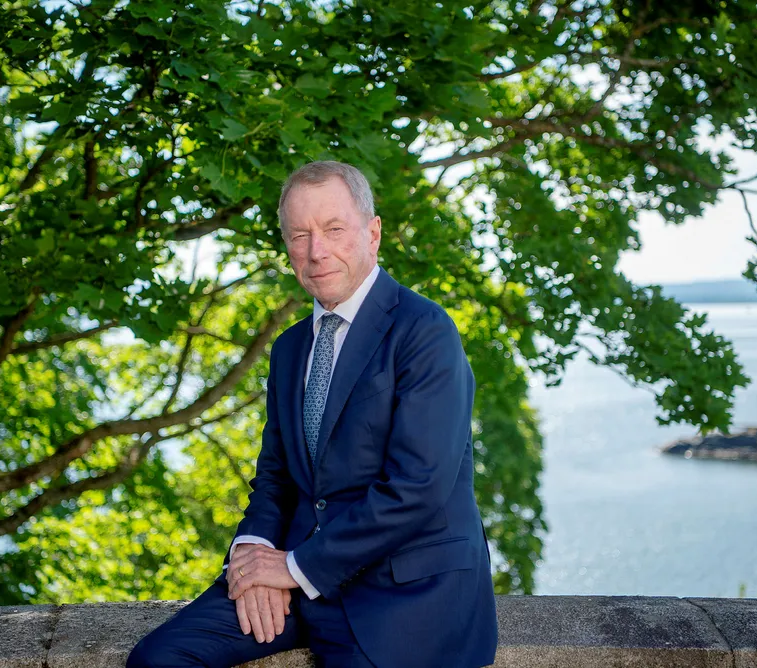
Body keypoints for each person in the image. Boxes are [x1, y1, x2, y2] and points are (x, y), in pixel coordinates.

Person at [126, 161, 497, 668]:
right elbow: (276, 477)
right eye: (299, 235)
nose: (316, 251)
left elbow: (418, 486)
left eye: (333, 229)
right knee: (159, 660)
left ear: (373, 233)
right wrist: (252, 554)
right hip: (300, 580)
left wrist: (294, 567)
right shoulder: (290, 348)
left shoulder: (425, 330)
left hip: (403, 594)